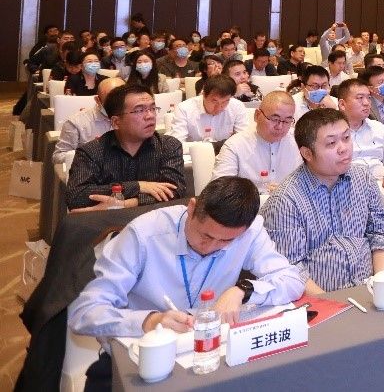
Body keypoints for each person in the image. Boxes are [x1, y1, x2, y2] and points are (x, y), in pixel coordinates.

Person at [67, 175, 305, 388]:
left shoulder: (249, 232)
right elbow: (84, 313)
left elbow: (292, 280)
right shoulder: (144, 234)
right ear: (192, 209)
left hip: (211, 357)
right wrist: (151, 320)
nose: (211, 247)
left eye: (226, 241)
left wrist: (242, 290)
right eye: (205, 235)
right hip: (142, 362)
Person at [259, 108, 384, 294]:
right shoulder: (285, 201)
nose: (343, 148)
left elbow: (381, 233)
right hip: (319, 301)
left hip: (370, 292)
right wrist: (331, 304)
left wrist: (382, 282)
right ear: (307, 153)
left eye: (346, 138)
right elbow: (289, 270)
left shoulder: (362, 177)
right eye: (331, 143)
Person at [65, 84, 186, 211]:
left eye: (153, 108)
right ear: (116, 122)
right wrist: (138, 186)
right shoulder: (92, 151)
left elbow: (175, 192)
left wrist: (123, 205)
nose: (150, 115)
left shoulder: (168, 145)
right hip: (107, 222)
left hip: (155, 221)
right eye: (139, 110)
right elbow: (76, 196)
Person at [212, 91, 302, 188]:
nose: (280, 127)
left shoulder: (300, 141)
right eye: (275, 119)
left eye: (287, 121)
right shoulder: (235, 145)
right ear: (257, 115)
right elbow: (220, 190)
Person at [53, 76, 125, 168]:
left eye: (123, 102)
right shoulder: (76, 123)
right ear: (98, 100)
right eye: (111, 103)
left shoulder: (135, 118)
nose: (118, 107)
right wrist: (89, 152)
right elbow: (58, 158)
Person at [335, 78, 384, 177]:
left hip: (381, 181)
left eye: (369, 97)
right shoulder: (332, 134)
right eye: (360, 98)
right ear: (342, 104)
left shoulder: (379, 128)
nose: (366, 103)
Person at [168, 75, 251, 143]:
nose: (219, 107)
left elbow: (244, 140)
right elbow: (176, 144)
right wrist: (213, 146)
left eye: (225, 102)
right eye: (214, 101)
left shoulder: (237, 106)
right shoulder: (184, 108)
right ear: (204, 95)